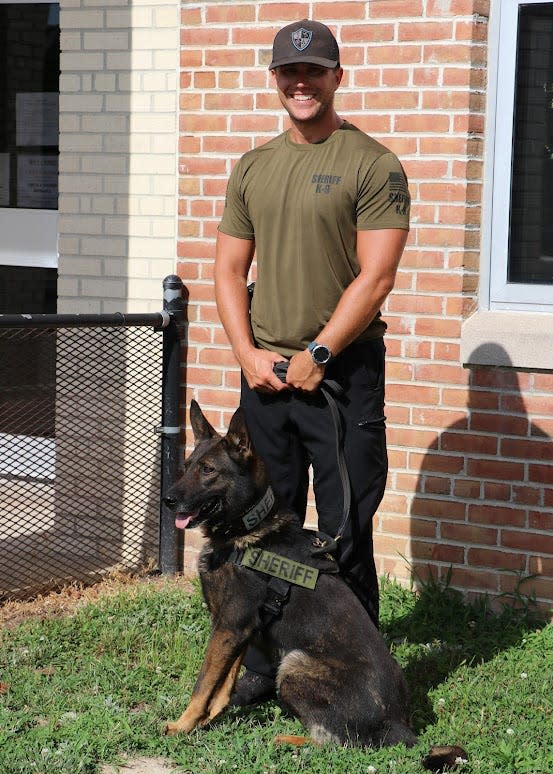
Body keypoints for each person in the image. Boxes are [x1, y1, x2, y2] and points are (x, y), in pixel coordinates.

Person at [214, 19, 410, 705]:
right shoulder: (254, 165)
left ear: (336, 76)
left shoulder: (372, 162)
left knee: (344, 526)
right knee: (267, 524)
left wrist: (319, 351)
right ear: (275, 80)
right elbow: (228, 268)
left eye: (314, 71)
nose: (301, 83)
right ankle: (270, 664)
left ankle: (362, 679)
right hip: (265, 377)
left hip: (341, 378)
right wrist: (246, 354)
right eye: (288, 73)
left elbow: (376, 277)